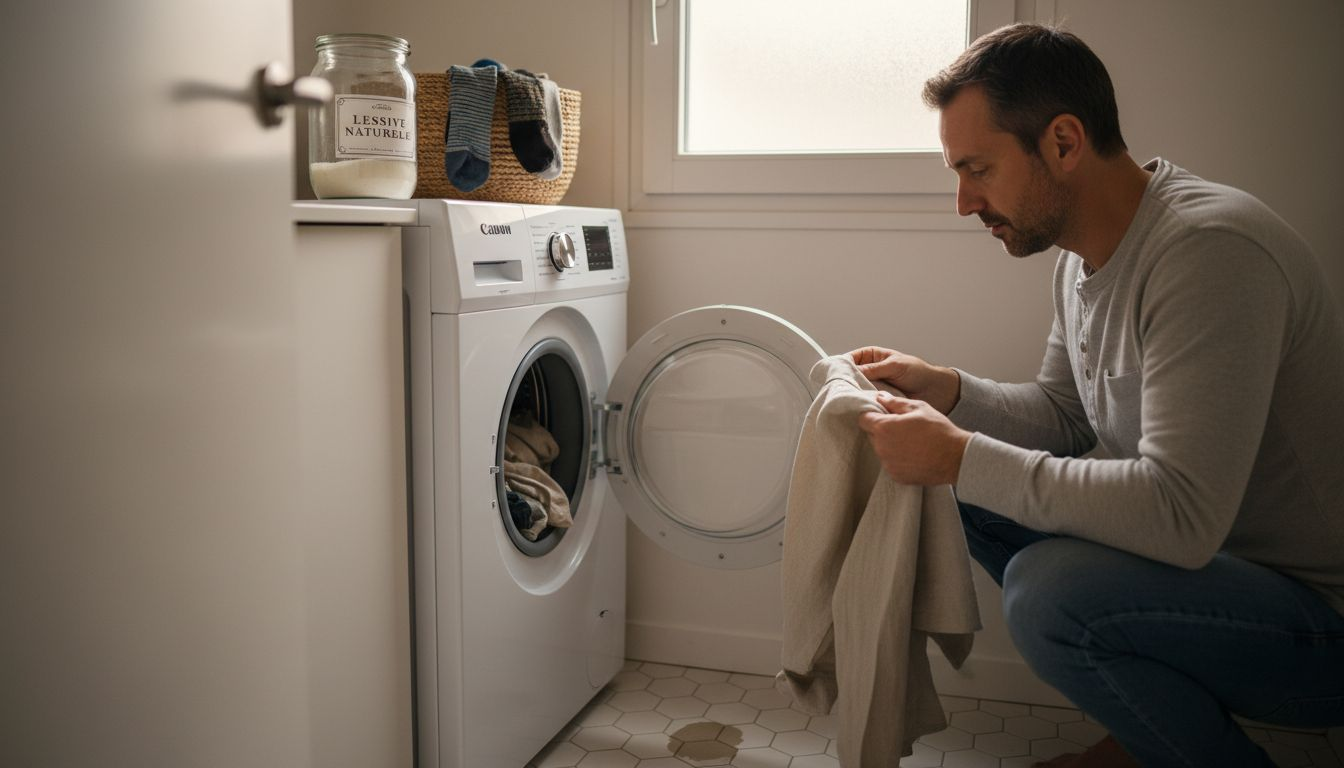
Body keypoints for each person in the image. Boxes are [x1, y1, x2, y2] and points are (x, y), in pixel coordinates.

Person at [849, 23, 1344, 768]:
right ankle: (1145, 734)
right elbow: (1062, 418)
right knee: (971, 492)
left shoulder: (1210, 254)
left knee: (1050, 592)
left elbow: (1180, 516)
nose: (962, 202)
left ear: (1064, 143)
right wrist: (947, 393)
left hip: (1317, 623)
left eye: (977, 168)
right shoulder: (1082, 258)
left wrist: (958, 456)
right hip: (1218, 581)